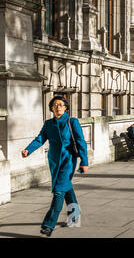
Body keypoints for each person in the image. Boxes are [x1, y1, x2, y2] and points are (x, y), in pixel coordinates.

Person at [21, 96, 88, 237]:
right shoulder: (48, 124)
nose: (58, 107)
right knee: (66, 187)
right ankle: (75, 215)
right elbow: (40, 138)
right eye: (55, 105)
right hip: (53, 161)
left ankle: (48, 225)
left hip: (68, 160)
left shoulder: (72, 122)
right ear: (51, 108)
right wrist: (28, 149)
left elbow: (81, 142)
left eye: (61, 105)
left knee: (58, 190)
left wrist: (84, 161)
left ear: (65, 107)